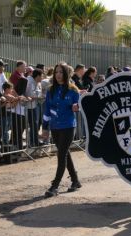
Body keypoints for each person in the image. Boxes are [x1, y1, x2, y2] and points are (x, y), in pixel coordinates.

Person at [42, 63, 81, 198]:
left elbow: (78, 106)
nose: (58, 75)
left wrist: (76, 107)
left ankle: (55, 186)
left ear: (66, 74)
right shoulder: (50, 90)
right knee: (65, 154)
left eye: (61, 72)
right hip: (55, 126)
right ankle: (75, 181)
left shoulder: (73, 90)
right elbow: (47, 109)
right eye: (56, 72)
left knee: (61, 154)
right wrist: (45, 127)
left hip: (69, 126)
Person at [26, 69, 43, 147]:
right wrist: (37, 97)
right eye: (41, 76)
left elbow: (38, 93)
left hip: (35, 105)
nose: (42, 78)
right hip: (28, 106)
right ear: (38, 76)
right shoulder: (29, 81)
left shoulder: (38, 83)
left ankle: (35, 141)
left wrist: (38, 97)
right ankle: (32, 142)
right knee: (32, 124)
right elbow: (28, 94)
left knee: (35, 124)